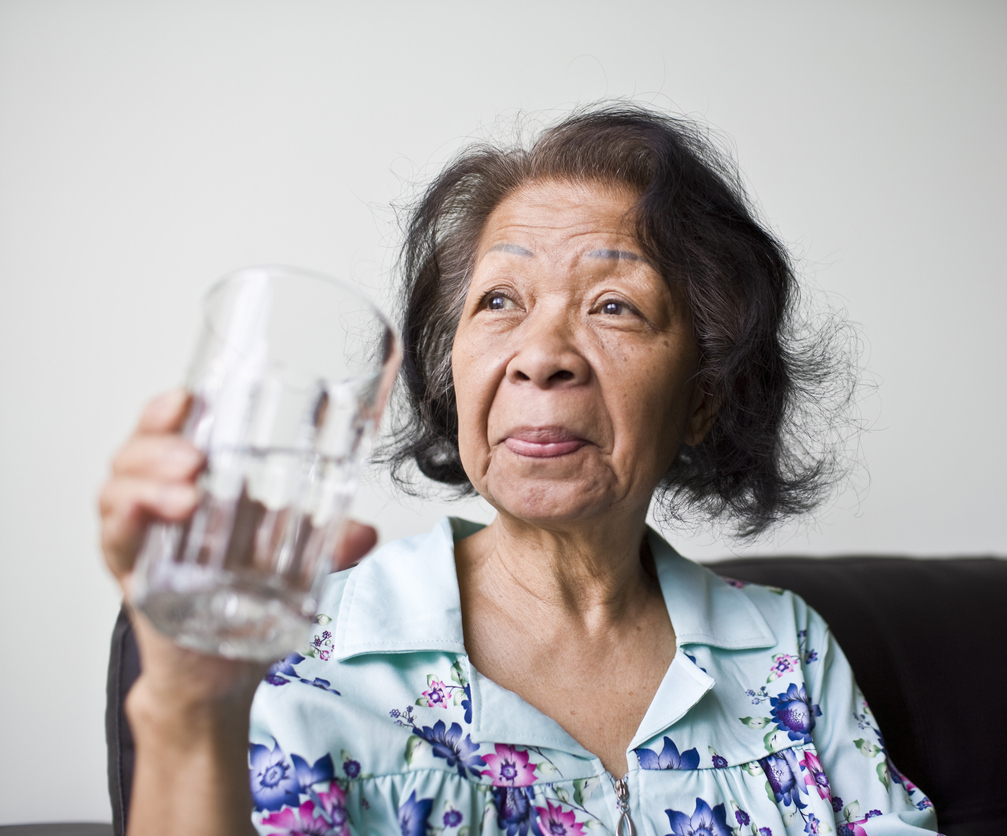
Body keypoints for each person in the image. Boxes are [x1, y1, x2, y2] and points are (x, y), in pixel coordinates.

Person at [100, 105, 938, 836]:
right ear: (452, 369)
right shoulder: (288, 640)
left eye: (616, 306)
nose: (540, 356)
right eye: (500, 300)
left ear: (703, 399)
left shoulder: (788, 649)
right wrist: (189, 712)